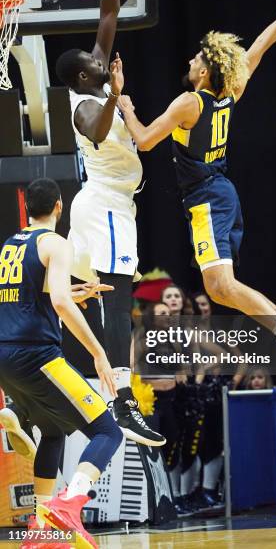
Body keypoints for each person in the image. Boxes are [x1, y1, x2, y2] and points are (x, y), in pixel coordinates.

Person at [114, 0, 276, 389]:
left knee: (220, 285)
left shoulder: (191, 101)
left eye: (196, 58)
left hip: (207, 197)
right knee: (221, 289)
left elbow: (147, 141)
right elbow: (261, 45)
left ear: (205, 72)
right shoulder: (231, 90)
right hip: (220, 193)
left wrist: (124, 102)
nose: (190, 61)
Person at [54, 0, 164, 446]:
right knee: (117, 301)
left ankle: (99, 392)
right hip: (105, 207)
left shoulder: (96, 79)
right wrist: (116, 95)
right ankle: (120, 400)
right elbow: (98, 129)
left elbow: (108, 11)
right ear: (84, 75)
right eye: (96, 63)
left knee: (90, 295)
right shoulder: (83, 104)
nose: (105, 58)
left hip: (110, 208)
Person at [0, 178, 123, 549]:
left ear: (27, 208)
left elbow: (27, 297)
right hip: (36, 355)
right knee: (108, 431)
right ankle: (70, 504)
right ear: (59, 206)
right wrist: (99, 353)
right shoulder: (55, 242)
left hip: (6, 358)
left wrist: (74, 289)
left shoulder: (9, 246)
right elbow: (59, 305)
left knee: (53, 432)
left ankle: (40, 528)